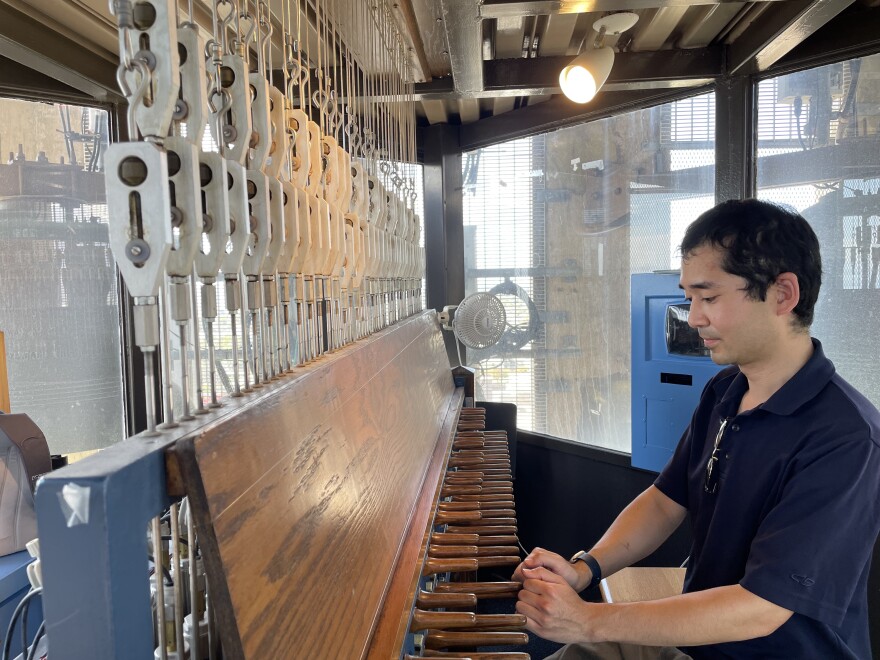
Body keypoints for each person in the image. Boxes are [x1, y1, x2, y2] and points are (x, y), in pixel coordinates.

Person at [513, 199, 880, 659]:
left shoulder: (846, 438)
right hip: (696, 642)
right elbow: (666, 502)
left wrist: (587, 619)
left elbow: (761, 608)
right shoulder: (726, 389)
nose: (693, 318)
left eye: (708, 298)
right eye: (689, 299)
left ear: (784, 294)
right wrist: (586, 570)